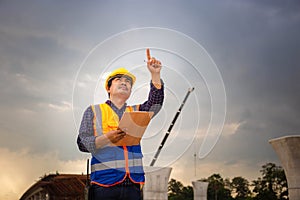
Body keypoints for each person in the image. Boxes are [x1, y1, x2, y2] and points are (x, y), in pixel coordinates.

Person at [77, 49, 164, 200]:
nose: (125, 83)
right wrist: (106, 138)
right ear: (108, 88)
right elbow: (82, 144)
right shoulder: (93, 111)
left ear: (130, 90)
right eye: (119, 80)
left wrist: (155, 75)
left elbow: (155, 104)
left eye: (128, 82)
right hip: (104, 184)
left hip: (133, 184)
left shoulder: (137, 111)